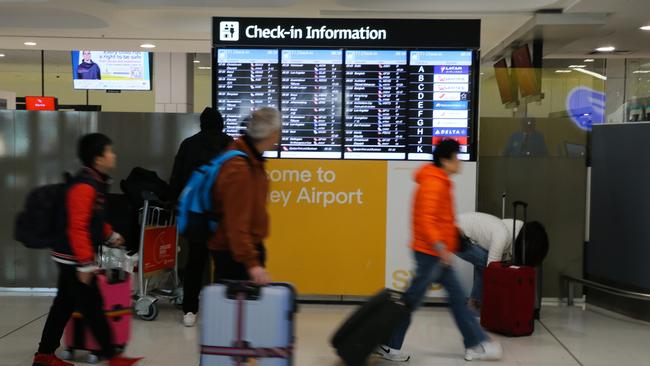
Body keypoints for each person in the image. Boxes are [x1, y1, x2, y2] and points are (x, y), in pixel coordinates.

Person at [378, 140, 502, 363]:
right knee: (413, 300)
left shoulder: (440, 180)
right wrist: (440, 247)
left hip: (436, 254)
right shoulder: (433, 183)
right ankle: (390, 343)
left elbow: (441, 220)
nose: (459, 161)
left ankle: (474, 344)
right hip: (430, 254)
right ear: (446, 160)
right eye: (456, 157)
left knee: (452, 299)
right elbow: (426, 221)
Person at [33, 133, 142, 366]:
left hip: (71, 256)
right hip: (73, 258)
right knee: (92, 307)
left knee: (64, 305)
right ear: (98, 158)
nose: (114, 155)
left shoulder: (94, 181)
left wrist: (111, 235)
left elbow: (92, 220)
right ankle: (113, 357)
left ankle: (44, 356)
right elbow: (78, 227)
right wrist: (85, 263)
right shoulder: (85, 186)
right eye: (109, 151)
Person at [169, 107, 233, 327]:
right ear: (221, 123)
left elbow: (176, 180)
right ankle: (223, 310)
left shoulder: (188, 144)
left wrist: (172, 202)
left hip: (196, 215)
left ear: (202, 124)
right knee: (222, 263)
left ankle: (190, 310)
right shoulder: (230, 145)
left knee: (195, 262)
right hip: (221, 216)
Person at [208, 107, 281, 285]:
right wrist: (252, 264)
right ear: (272, 134)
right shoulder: (239, 168)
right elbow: (236, 224)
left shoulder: (250, 159)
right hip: (235, 256)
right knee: (237, 311)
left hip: (240, 251)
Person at [456, 213, 549, 311]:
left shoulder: (518, 228)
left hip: (460, 230)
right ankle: (480, 305)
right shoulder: (502, 236)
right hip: (456, 234)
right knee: (488, 266)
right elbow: (491, 271)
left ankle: (474, 304)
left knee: (485, 266)